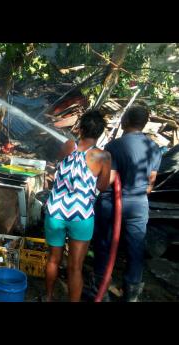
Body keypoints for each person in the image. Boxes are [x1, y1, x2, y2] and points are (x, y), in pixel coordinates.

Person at [89, 105, 162, 302]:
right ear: (144, 124)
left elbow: (109, 181)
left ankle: (101, 289)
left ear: (125, 121)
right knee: (135, 247)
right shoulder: (153, 147)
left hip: (112, 204)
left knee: (104, 244)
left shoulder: (115, 146)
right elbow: (150, 183)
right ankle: (132, 294)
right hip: (139, 205)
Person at [44, 110, 111, 302]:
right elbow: (102, 186)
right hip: (81, 216)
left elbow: (59, 163)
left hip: (56, 211)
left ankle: (48, 297)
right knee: (75, 267)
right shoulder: (103, 157)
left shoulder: (68, 145)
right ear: (99, 133)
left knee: (53, 260)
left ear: (80, 128)